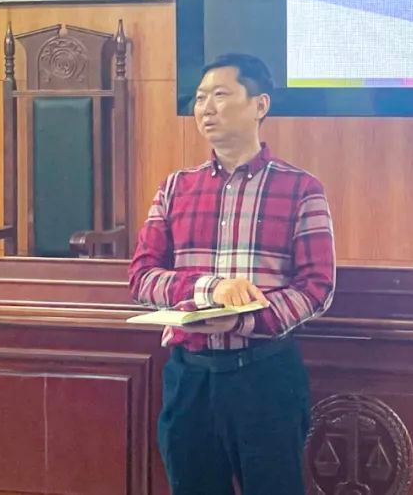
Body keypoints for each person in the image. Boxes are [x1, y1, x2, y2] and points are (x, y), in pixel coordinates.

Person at [129, 53, 335, 495]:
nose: (205, 108)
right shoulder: (175, 187)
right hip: (190, 378)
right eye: (200, 97)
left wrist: (243, 318)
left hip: (266, 376)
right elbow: (142, 276)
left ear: (260, 104)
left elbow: (316, 287)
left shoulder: (301, 188)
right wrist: (211, 289)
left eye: (220, 95)